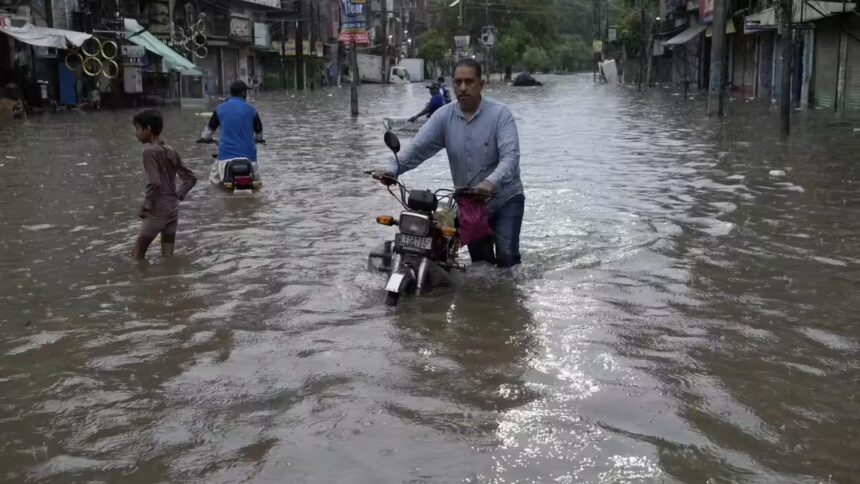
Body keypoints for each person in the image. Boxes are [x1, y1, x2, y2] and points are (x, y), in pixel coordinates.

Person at [375, 59, 525, 268]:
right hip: (471, 204)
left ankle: (511, 296)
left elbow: (511, 158)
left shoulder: (500, 114)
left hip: (505, 199)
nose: (462, 88)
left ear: (481, 84)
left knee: (507, 257)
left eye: (469, 82)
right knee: (482, 267)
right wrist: (392, 169)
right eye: (458, 82)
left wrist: (489, 184)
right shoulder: (443, 117)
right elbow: (417, 149)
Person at [132, 109, 197, 260]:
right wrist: (178, 195)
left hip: (157, 211)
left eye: (137, 129)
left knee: (136, 255)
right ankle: (170, 280)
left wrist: (145, 206)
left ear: (148, 130)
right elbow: (190, 178)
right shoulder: (171, 150)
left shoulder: (149, 152)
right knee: (168, 256)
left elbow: (154, 183)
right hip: (172, 211)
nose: (136, 133)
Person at [199, 80, 264, 181]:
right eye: (246, 92)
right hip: (250, 158)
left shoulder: (220, 109)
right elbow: (259, 132)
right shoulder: (252, 110)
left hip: (225, 158)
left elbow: (209, 130)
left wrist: (204, 138)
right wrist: (258, 139)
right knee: (258, 183)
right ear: (243, 93)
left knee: (213, 180)